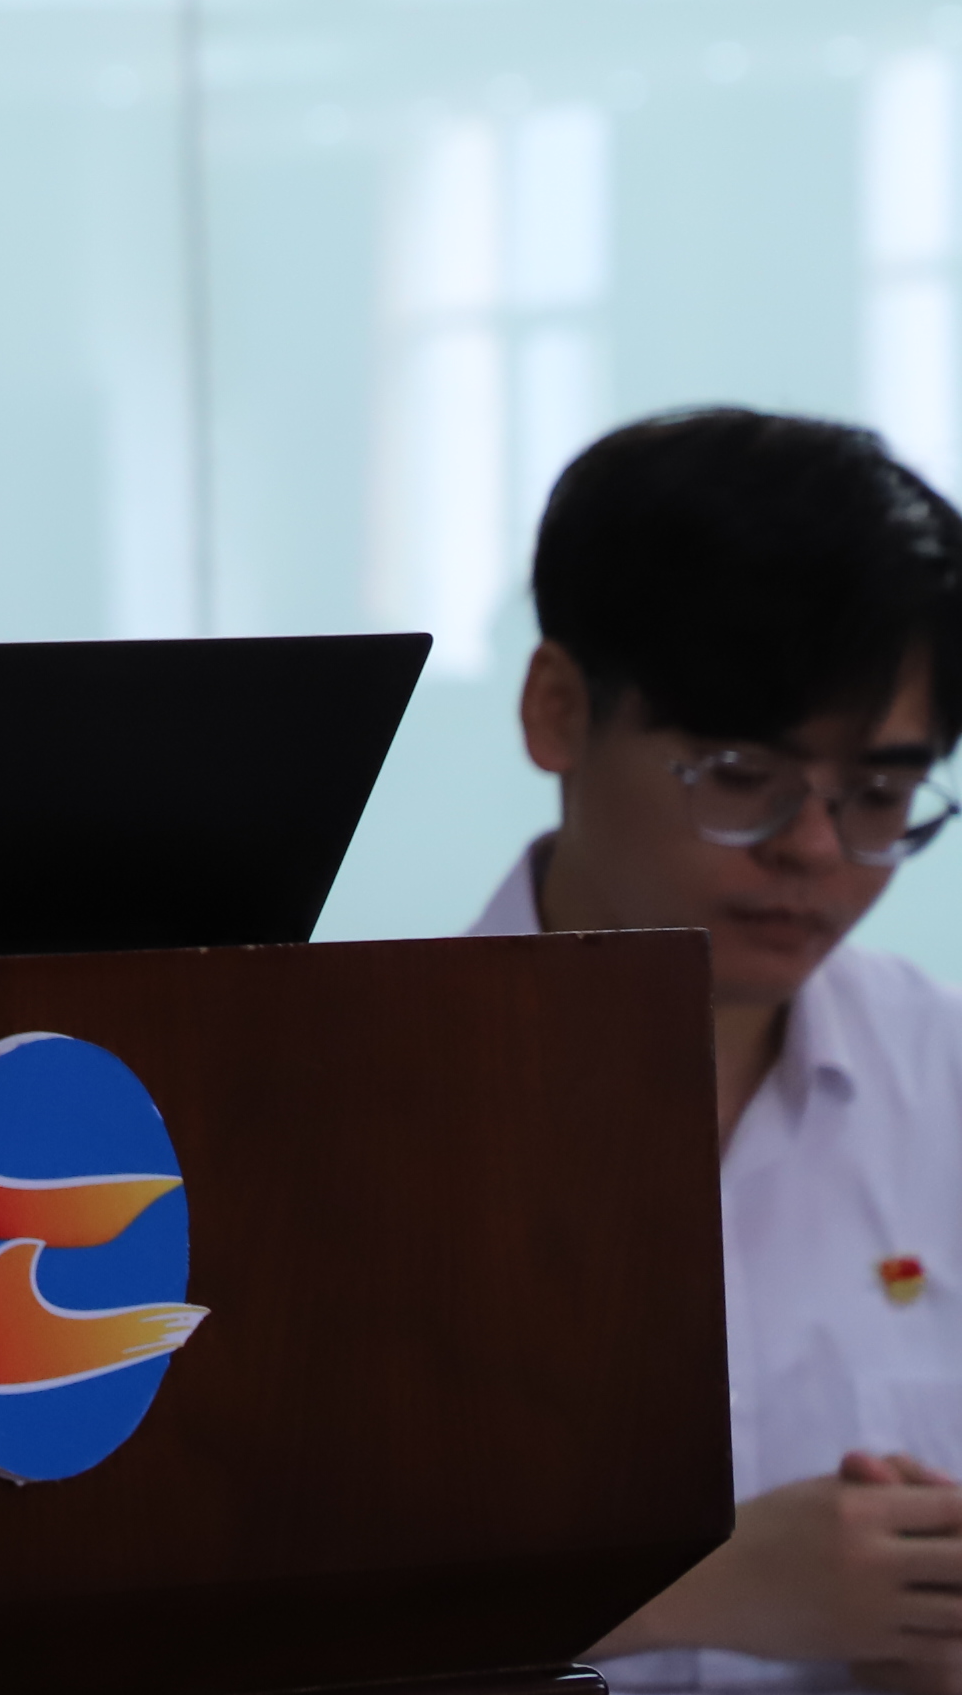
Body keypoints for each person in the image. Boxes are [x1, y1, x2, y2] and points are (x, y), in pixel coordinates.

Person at [480, 408, 962, 1689]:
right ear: (557, 709)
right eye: (741, 774)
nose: (813, 848)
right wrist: (695, 1583)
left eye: (877, 795)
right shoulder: (337, 1101)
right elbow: (235, 1604)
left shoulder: (945, 1082)